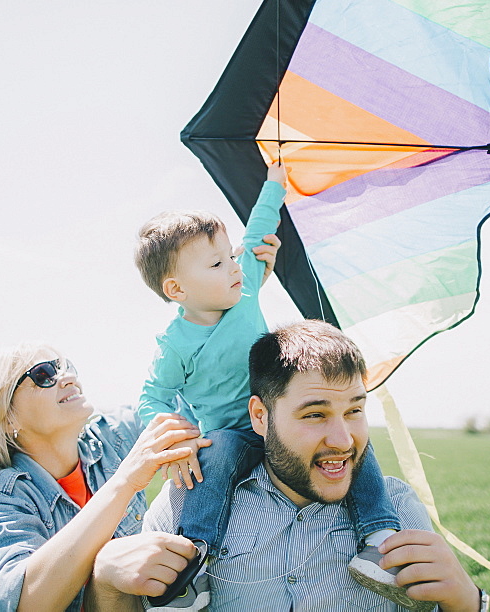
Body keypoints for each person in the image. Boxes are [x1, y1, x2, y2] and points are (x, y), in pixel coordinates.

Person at [133, 167, 403, 608]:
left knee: (354, 444)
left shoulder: (244, 290)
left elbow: (258, 228)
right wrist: (177, 438)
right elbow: (153, 396)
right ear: (176, 288)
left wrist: (275, 182)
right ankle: (193, 562)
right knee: (211, 457)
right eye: (218, 263)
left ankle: (379, 537)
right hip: (234, 433)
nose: (235, 266)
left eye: (231, 256)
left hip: (283, 422)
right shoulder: (173, 346)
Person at [138, 320, 488, 612]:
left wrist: (466, 601)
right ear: (261, 416)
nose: (343, 440)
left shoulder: (397, 510)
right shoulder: (187, 504)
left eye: (354, 411)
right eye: (316, 414)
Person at [0, 342, 212, 611]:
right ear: (7, 418)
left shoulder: (113, 438)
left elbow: (201, 401)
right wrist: (125, 480)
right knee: (108, 561)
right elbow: (25, 604)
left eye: (66, 367)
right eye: (44, 374)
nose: (68, 377)